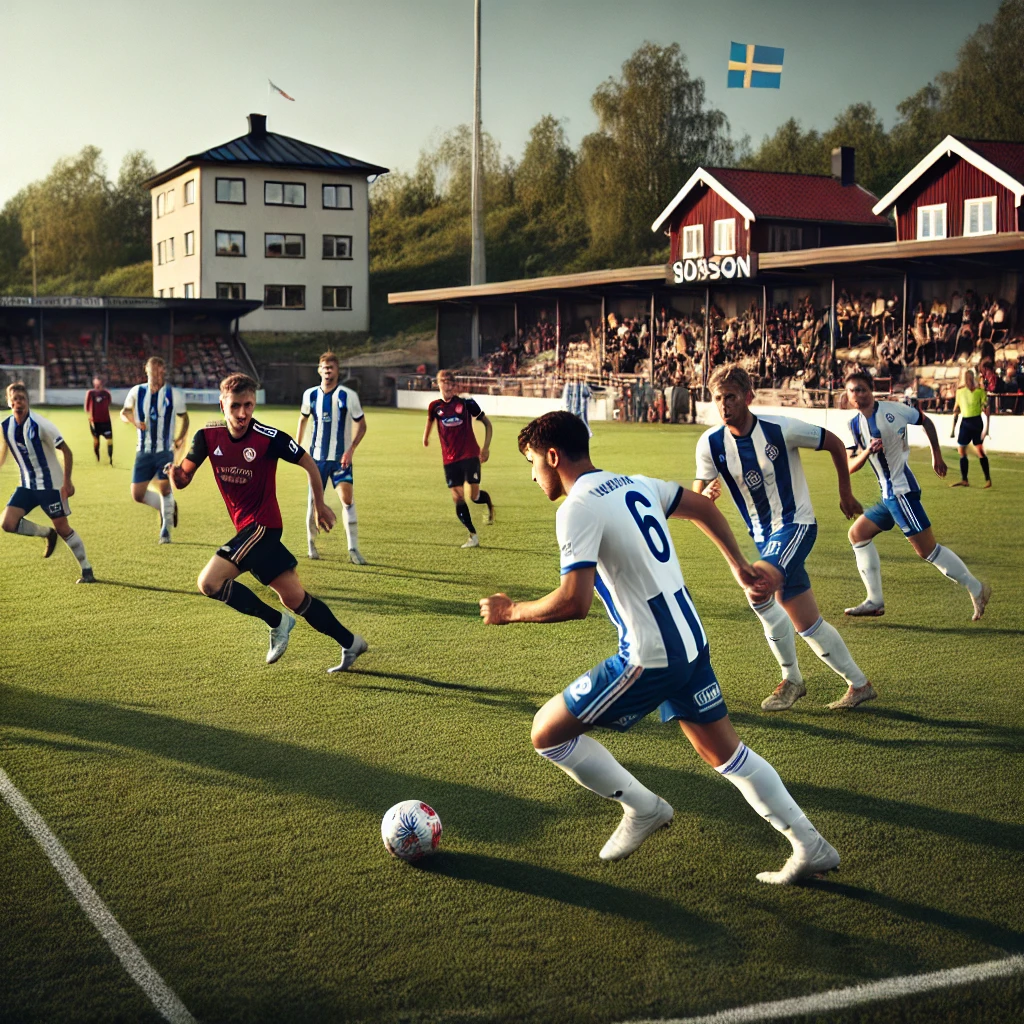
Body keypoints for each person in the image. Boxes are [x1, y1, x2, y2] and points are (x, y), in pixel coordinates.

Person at [479, 411, 838, 883]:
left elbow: (574, 601)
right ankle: (811, 846)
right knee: (728, 755)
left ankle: (644, 808)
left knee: (547, 734)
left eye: (532, 463)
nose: (532, 475)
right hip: (690, 640)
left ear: (552, 455)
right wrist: (736, 564)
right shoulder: (634, 482)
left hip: (649, 656)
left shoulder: (577, 507)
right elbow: (705, 508)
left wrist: (511, 611)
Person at [694, 365, 874, 712]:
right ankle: (859, 684)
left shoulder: (781, 428)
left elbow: (835, 444)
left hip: (796, 524)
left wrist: (845, 493)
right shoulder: (711, 443)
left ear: (748, 397)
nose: (724, 404)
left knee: (757, 586)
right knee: (807, 623)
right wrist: (705, 496)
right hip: (765, 538)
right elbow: (697, 494)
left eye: (730, 396)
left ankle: (792, 680)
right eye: (718, 398)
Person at [168, 374, 367, 672]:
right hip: (248, 530)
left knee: (209, 582)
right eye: (235, 406)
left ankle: (276, 622)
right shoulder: (207, 437)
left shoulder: (268, 437)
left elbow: (308, 463)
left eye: (248, 405)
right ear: (223, 404)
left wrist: (320, 504)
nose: (242, 413)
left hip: (264, 527)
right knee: (295, 599)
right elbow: (183, 478)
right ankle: (351, 642)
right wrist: (174, 474)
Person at [843, 370, 991, 621]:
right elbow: (849, 465)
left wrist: (937, 455)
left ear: (871, 391)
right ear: (846, 395)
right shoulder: (853, 425)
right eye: (852, 390)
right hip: (889, 496)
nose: (857, 394)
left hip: (901, 493)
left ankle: (977, 588)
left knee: (928, 551)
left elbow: (925, 421)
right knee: (858, 534)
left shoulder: (894, 410)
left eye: (861, 389)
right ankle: (875, 601)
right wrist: (867, 451)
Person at [0, 381, 94, 582]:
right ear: (8, 402)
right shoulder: (5, 426)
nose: (18, 402)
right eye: (15, 399)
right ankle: (46, 534)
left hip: (50, 486)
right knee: (7, 523)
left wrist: (67, 482)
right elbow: (3, 452)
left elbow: (66, 451)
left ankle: (87, 570)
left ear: (28, 401)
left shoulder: (40, 424)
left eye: (22, 398)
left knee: (64, 528)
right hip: (26, 485)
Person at [296, 352, 367, 563]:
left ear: (338, 370)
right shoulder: (310, 395)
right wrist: (298, 447)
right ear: (319, 370)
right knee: (312, 503)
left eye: (332, 367)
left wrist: (351, 450)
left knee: (347, 500)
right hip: (316, 460)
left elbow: (361, 425)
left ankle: (353, 549)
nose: (328, 370)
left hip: (340, 459)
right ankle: (311, 544)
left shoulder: (348, 395)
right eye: (324, 367)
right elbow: (302, 420)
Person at [121, 356, 188, 543]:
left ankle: (165, 531)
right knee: (137, 494)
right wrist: (135, 422)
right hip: (142, 451)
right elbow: (124, 413)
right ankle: (167, 507)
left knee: (165, 488)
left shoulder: (174, 394)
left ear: (163, 371)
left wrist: (180, 438)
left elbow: (185, 417)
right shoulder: (137, 391)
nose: (155, 376)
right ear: (147, 371)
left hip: (164, 450)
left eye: (159, 372)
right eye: (152, 372)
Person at [423, 370, 494, 547]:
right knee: (458, 498)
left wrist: (485, 448)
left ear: (455, 386)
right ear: (438, 384)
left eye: (450, 382)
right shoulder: (434, 406)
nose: (447, 385)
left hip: (470, 455)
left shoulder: (466, 403)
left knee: (475, 496)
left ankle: (488, 504)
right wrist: (425, 437)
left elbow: (487, 423)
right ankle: (472, 535)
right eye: (443, 382)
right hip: (450, 460)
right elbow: (430, 421)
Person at [949, 368, 992, 489]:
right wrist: (953, 429)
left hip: (974, 421)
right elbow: (956, 410)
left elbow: (986, 410)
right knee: (963, 450)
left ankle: (985, 479)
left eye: (969, 378)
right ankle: (965, 479)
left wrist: (987, 429)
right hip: (969, 422)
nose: (968, 380)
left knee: (978, 450)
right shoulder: (962, 392)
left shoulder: (979, 391)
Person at [84, 375, 113, 465]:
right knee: (96, 441)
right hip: (94, 422)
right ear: (94, 383)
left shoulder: (106, 394)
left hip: (106, 421)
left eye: (100, 382)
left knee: (110, 440)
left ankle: (110, 459)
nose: (98, 384)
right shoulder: (90, 393)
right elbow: (87, 407)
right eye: (97, 382)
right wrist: (91, 418)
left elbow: (108, 403)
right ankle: (98, 459)